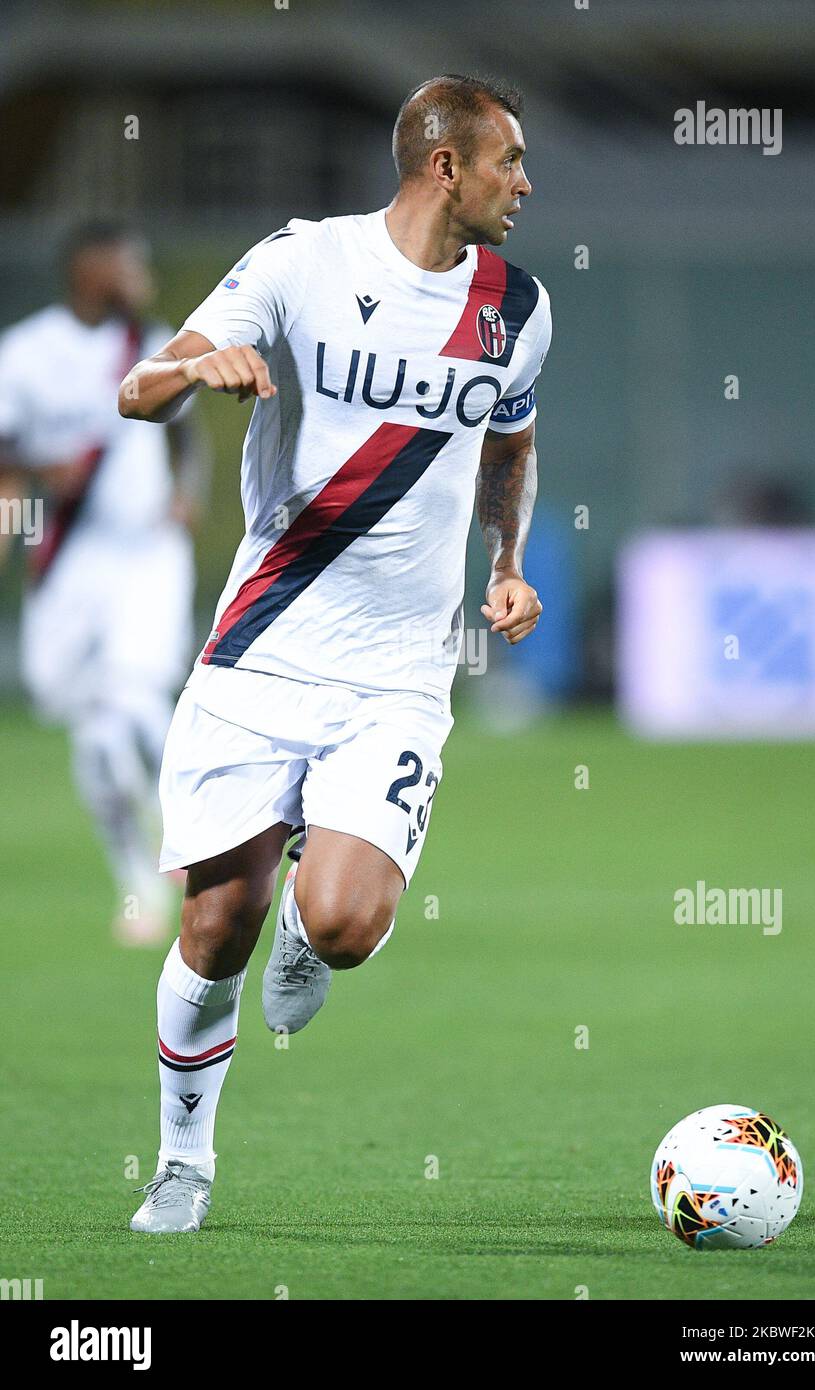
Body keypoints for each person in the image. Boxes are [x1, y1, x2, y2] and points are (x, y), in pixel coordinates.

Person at [119, 75, 552, 1233]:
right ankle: (183, 1160)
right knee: (213, 931)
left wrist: (506, 560)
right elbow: (138, 386)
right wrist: (189, 372)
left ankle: (314, 924)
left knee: (348, 923)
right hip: (264, 647)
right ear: (443, 164)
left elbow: (509, 443)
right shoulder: (303, 262)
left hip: (400, 670)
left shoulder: (515, 302)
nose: (525, 182)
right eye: (508, 160)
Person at [0, 222, 209, 944]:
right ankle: (135, 875)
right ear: (91, 271)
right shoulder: (25, 353)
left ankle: (188, 838)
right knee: (90, 727)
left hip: (146, 554)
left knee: (135, 694)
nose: (139, 273)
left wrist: (187, 491)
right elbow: (6, 460)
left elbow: (187, 436)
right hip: (66, 559)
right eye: (128, 263)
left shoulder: (153, 343)